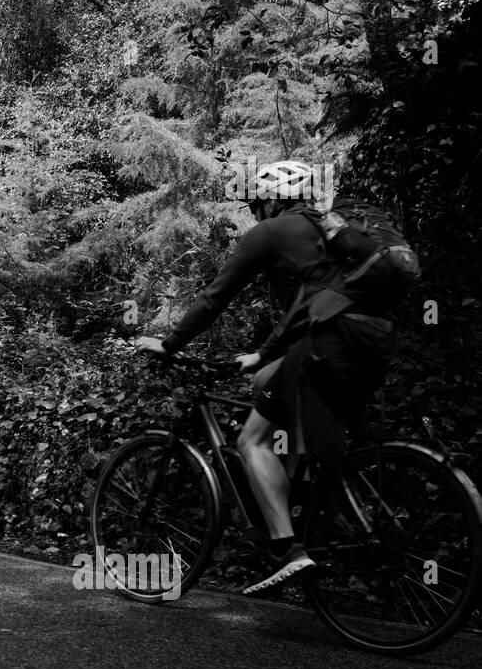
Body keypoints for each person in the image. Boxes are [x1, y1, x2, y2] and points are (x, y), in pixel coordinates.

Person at [135, 160, 396, 593]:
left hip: (323, 345)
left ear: (274, 199)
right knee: (267, 387)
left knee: (251, 439)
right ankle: (302, 499)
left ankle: (286, 548)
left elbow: (215, 297)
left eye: (257, 203)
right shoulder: (330, 233)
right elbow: (312, 306)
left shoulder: (272, 232)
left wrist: (169, 344)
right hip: (373, 342)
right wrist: (262, 355)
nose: (255, 213)